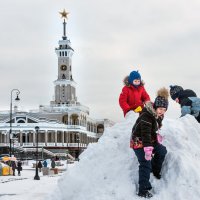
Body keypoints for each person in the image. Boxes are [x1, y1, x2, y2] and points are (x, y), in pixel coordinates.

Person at [130, 87, 168, 198]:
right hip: (138, 140)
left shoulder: (158, 115)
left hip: (149, 139)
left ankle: (155, 170)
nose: (162, 111)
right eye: (160, 109)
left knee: (162, 150)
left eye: (164, 109)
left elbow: (153, 128)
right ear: (155, 106)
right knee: (145, 162)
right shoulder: (146, 115)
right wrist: (147, 149)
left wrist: (157, 136)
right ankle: (143, 190)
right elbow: (145, 133)